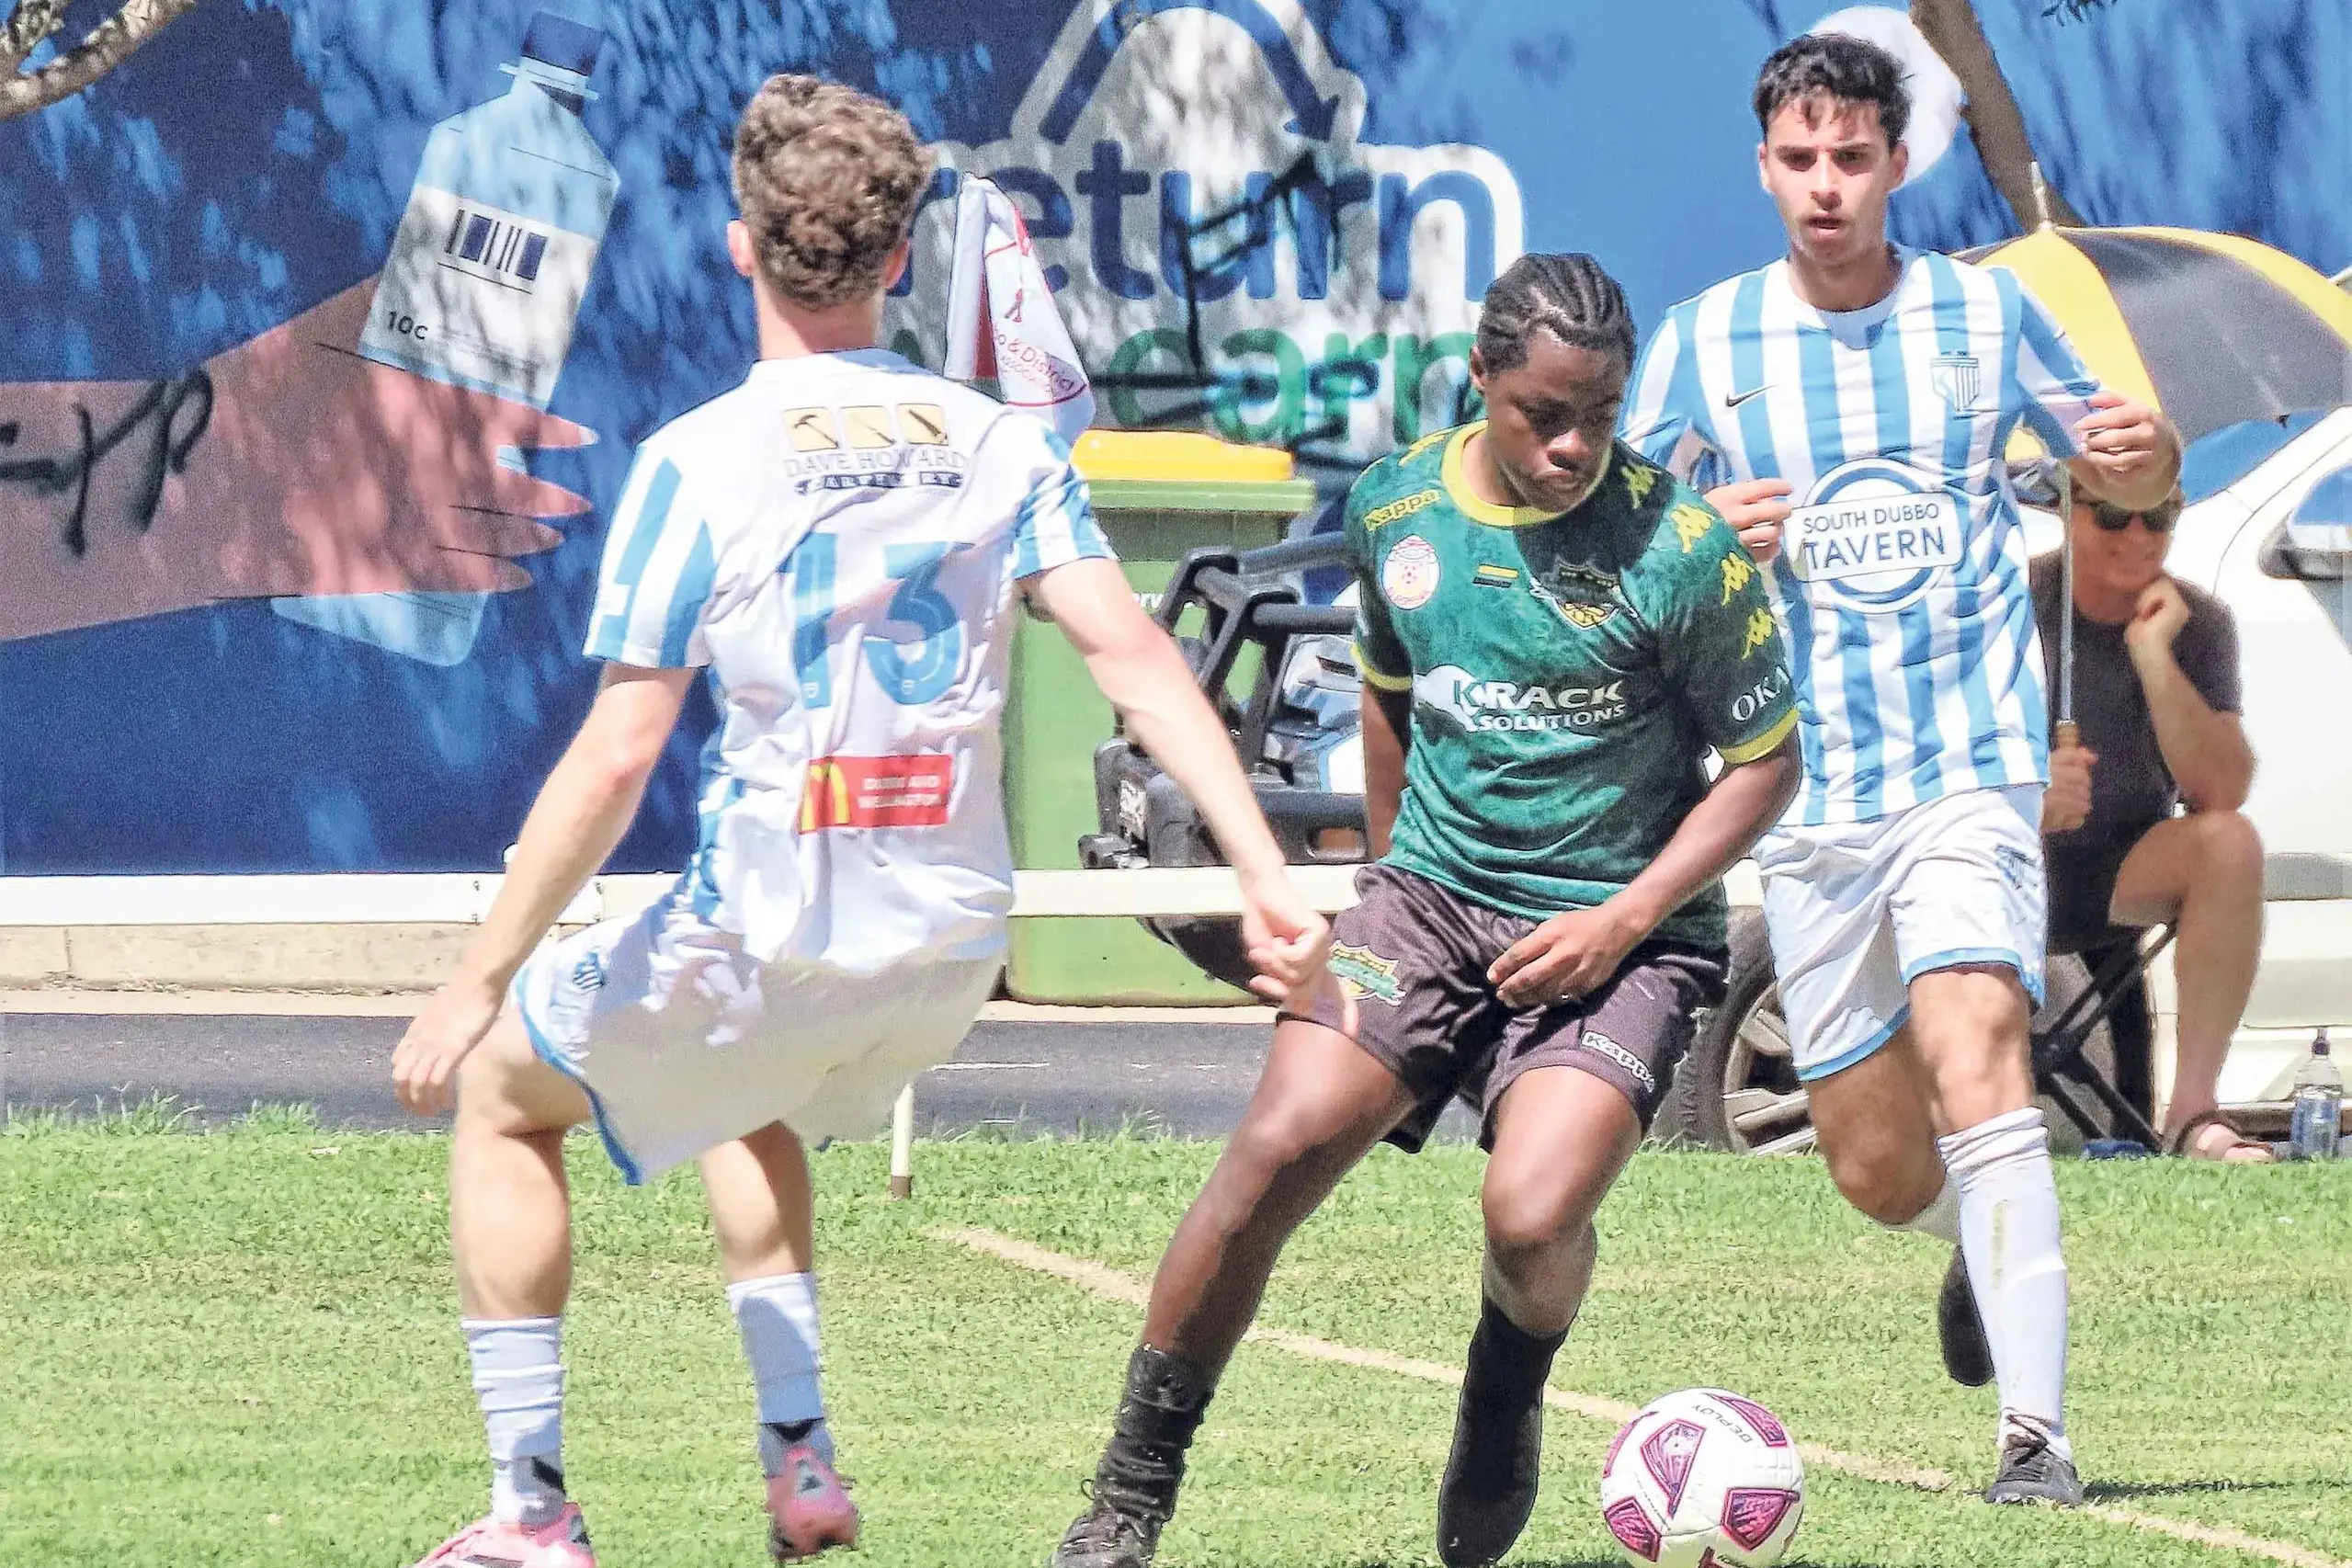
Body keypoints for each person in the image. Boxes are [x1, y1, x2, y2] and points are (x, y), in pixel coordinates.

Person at [388, 75, 1331, 1568]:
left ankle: (530, 1515)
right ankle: (798, 1459)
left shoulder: (698, 461)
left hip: (770, 926)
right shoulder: (1002, 444)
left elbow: (618, 750)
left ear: (736, 247)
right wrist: (1262, 868)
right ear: (902, 261)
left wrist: (474, 977)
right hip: (947, 954)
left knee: (508, 1100)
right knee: (734, 1087)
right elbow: (1133, 656)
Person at [1051, 253, 1802, 1568]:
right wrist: (1397, 889)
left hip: (1615, 936)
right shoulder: (1397, 505)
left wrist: (1622, 920)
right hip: (1429, 904)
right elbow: (1389, 697)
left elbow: (1764, 766)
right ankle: (1127, 1493)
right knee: (1275, 1145)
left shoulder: (1679, 552)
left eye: (1601, 414)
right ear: (1481, 383)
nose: (1572, 445)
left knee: (1527, 1209)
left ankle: (1500, 1398)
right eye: (1540, 415)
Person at [1619, 34, 2180, 1506]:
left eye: (1849, 158)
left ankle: (2034, 1441)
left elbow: (2117, 465)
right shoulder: (1702, 340)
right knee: (1867, 1166)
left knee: (1978, 1040)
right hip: (1801, 795)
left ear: (1893, 162)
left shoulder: (1981, 316)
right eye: (1797, 160)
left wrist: (2138, 446)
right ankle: (1974, 1253)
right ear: (1762, 167)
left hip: (1965, 768)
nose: (1823, 185)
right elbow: (1610, 544)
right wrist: (1695, 534)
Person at [2032, 475, 2266, 1159]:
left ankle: (2193, 1115)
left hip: (2116, 871)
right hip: (1995, 861)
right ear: (2065, 511)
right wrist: (2023, 794)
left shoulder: (2197, 620)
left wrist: (2153, 657)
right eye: (2111, 515)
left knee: (2228, 843)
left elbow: (2221, 789)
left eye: (2157, 517)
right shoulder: (2006, 607)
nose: (2137, 538)